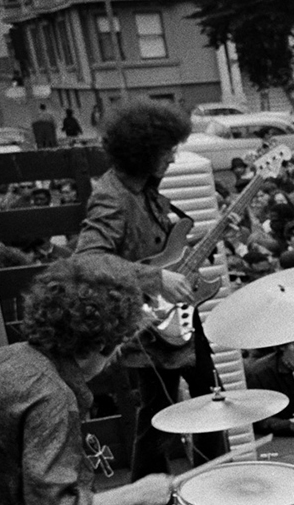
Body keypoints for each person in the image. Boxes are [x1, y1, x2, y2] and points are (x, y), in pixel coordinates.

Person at [0, 257, 244, 505]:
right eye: (116, 348)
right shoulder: (50, 395)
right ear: (97, 345)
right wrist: (139, 491)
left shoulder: (3, 359)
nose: (115, 359)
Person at [75, 100, 224, 480]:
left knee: (213, 398)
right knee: (158, 415)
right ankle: (152, 491)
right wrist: (156, 281)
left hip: (178, 315)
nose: (174, 159)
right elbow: (88, 259)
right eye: (167, 150)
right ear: (143, 150)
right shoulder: (111, 197)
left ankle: (214, 478)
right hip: (150, 322)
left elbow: (162, 252)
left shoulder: (145, 188)